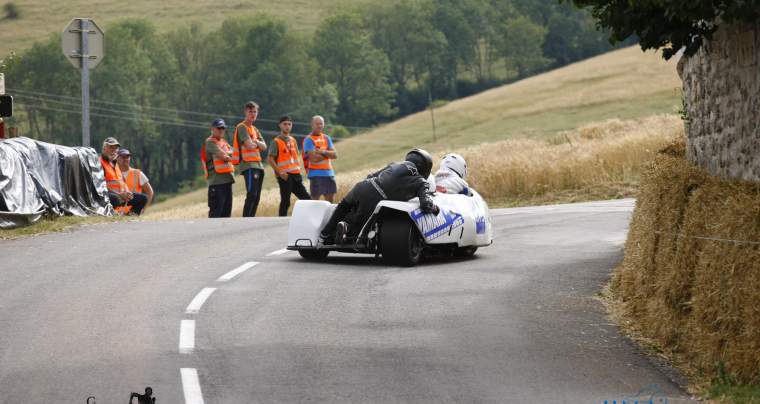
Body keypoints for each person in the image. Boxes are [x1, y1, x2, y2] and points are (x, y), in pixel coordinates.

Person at [319, 149, 440, 245]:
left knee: (343, 207)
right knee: (359, 233)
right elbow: (426, 204)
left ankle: (325, 234)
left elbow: (370, 175)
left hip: (363, 186)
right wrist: (434, 208)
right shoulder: (421, 182)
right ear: (424, 167)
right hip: (377, 198)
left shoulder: (394, 165)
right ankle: (348, 231)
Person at [267, 116, 311, 216]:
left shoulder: (293, 140)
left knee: (307, 199)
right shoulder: (276, 141)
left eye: (289, 124)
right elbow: (270, 159)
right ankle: (281, 221)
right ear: (280, 125)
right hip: (285, 176)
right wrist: (280, 172)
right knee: (286, 201)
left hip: (296, 175)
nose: (287, 126)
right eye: (285, 124)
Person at [232, 101, 267, 217]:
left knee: (257, 196)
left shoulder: (255, 129)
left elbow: (264, 146)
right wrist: (257, 143)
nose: (253, 114)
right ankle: (246, 218)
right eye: (250, 111)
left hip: (258, 164)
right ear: (245, 112)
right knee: (251, 193)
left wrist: (255, 141)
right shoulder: (242, 127)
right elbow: (249, 145)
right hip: (249, 165)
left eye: (255, 112)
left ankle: (251, 218)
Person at [100, 137, 148, 215]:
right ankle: (111, 214)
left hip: (120, 196)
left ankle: (129, 217)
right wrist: (120, 194)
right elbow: (99, 186)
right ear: (104, 148)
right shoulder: (100, 163)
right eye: (111, 147)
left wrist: (127, 192)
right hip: (105, 196)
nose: (114, 151)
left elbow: (122, 182)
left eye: (116, 148)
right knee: (115, 199)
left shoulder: (115, 164)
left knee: (143, 198)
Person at [201, 119, 235, 218]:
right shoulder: (210, 142)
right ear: (212, 129)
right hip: (217, 182)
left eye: (223, 128)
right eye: (219, 128)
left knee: (226, 214)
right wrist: (230, 154)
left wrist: (230, 155)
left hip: (227, 181)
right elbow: (224, 156)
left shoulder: (223, 142)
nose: (221, 130)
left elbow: (235, 154)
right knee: (216, 214)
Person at [302, 115, 338, 202]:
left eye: (321, 124)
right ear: (312, 125)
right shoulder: (308, 139)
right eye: (317, 124)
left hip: (329, 173)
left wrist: (322, 152)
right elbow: (313, 158)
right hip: (315, 174)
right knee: (315, 202)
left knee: (330, 202)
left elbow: (335, 155)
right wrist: (328, 153)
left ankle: (328, 216)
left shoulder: (326, 138)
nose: (319, 126)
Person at [116, 148, 155, 212]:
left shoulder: (137, 173)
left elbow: (150, 192)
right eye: (123, 157)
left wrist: (144, 209)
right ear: (117, 159)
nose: (126, 159)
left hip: (133, 213)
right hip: (116, 214)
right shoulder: (112, 174)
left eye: (128, 156)